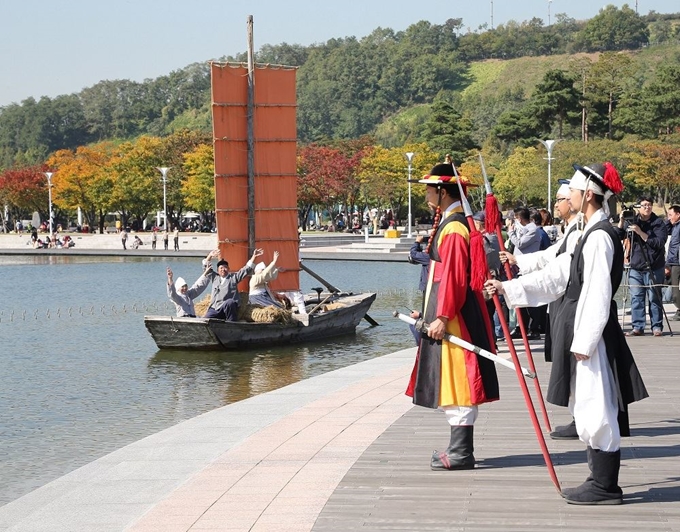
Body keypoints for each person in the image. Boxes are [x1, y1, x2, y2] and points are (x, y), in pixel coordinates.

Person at [485, 161, 648, 505]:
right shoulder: (588, 232)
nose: (569, 196)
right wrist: (508, 288)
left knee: (597, 405)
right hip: (587, 333)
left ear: (588, 194)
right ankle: (599, 479)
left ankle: (604, 485)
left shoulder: (600, 237)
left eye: (573, 191)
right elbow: (559, 273)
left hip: (594, 335)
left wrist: (586, 341)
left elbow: (598, 292)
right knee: (588, 402)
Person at [405, 162, 499, 471]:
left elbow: (455, 278)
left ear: (443, 192)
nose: (427, 194)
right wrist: (430, 309)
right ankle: (458, 449)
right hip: (449, 310)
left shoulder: (455, 228)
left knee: (458, 378)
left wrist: (442, 315)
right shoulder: (450, 222)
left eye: (430, 189)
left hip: (455, 315)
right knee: (453, 378)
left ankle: (460, 452)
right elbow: (440, 276)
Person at [500, 182, 582, 440]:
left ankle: (582, 419)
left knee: (578, 367)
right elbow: (551, 255)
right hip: (564, 301)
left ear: (575, 200)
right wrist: (518, 260)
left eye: (560, 199)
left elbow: (558, 270)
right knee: (568, 365)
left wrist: (510, 287)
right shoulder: (571, 230)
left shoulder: (584, 232)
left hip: (574, 304)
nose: (555, 204)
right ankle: (578, 415)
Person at [616, 196, 668, 336]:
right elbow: (618, 236)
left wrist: (640, 232)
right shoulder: (633, 220)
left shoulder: (658, 223)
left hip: (654, 265)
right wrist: (621, 222)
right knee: (636, 297)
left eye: (649, 205)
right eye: (644, 205)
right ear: (639, 207)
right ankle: (637, 326)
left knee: (654, 297)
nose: (647, 207)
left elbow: (659, 243)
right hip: (636, 265)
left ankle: (656, 326)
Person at [202, 248, 263, 320]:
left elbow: (245, 270)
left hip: (227, 307)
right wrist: (210, 256)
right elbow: (206, 268)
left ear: (228, 269)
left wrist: (254, 257)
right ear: (218, 270)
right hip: (215, 307)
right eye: (221, 268)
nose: (223, 270)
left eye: (225, 268)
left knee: (230, 302)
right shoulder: (215, 277)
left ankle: (231, 323)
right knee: (205, 320)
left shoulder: (233, 277)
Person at [407, 233, 431, 344]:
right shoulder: (430, 256)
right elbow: (413, 259)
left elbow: (413, 254)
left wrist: (417, 242)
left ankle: (421, 345)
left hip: (430, 289)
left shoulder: (430, 256)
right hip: (428, 288)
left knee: (415, 322)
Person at [665, 205, 680, 320]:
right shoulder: (674, 226)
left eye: (671, 215)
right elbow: (664, 228)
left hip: (677, 262)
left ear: (678, 214)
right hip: (673, 261)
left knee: (675, 290)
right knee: (669, 285)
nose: (669, 218)